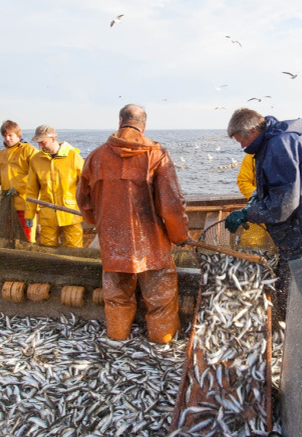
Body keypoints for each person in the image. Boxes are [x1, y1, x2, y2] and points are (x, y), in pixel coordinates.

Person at [76, 104, 190, 344]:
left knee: (116, 297)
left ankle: (117, 339)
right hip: (153, 246)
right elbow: (171, 206)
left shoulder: (96, 156)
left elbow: (83, 201)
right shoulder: (156, 154)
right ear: (144, 126)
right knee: (161, 299)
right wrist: (179, 236)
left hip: (113, 244)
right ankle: (163, 342)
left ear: (120, 122)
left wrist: (101, 224)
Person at [224, 108, 302, 316]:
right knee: (290, 278)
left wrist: (248, 214)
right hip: (297, 225)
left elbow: (283, 205)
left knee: (298, 283)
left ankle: (294, 326)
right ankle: (289, 322)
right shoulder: (270, 144)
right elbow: (275, 187)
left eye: (241, 140)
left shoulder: (279, 145)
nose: (242, 146)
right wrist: (255, 200)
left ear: (254, 131)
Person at [24, 125, 85, 248]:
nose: (40, 146)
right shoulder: (36, 160)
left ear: (53, 138)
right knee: (47, 248)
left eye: (43, 142)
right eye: (38, 143)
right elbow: (31, 189)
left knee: (74, 248)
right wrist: (29, 214)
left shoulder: (73, 156)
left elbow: (87, 184)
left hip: (71, 214)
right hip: (47, 215)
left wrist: (90, 209)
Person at [0, 120, 37, 242]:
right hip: (7, 203)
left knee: (27, 237)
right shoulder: (0, 154)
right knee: (8, 236)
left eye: (10, 135)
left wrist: (18, 188)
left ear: (18, 135)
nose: (8, 138)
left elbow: (37, 174)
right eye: (5, 136)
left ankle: (29, 258)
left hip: (25, 203)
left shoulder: (28, 150)